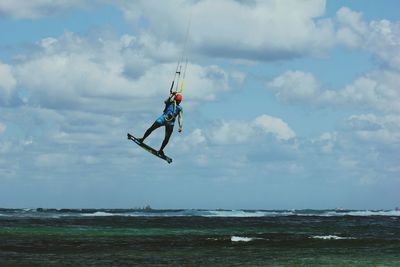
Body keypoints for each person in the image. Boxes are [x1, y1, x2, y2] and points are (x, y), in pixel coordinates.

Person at [137, 92, 183, 156]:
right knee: (151, 128)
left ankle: (161, 150)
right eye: (177, 100)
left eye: (179, 101)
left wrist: (180, 126)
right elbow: (165, 101)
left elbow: (180, 117)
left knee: (167, 138)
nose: (178, 102)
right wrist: (172, 95)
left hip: (170, 123)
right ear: (175, 99)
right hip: (163, 118)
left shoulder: (180, 108)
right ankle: (142, 139)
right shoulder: (170, 102)